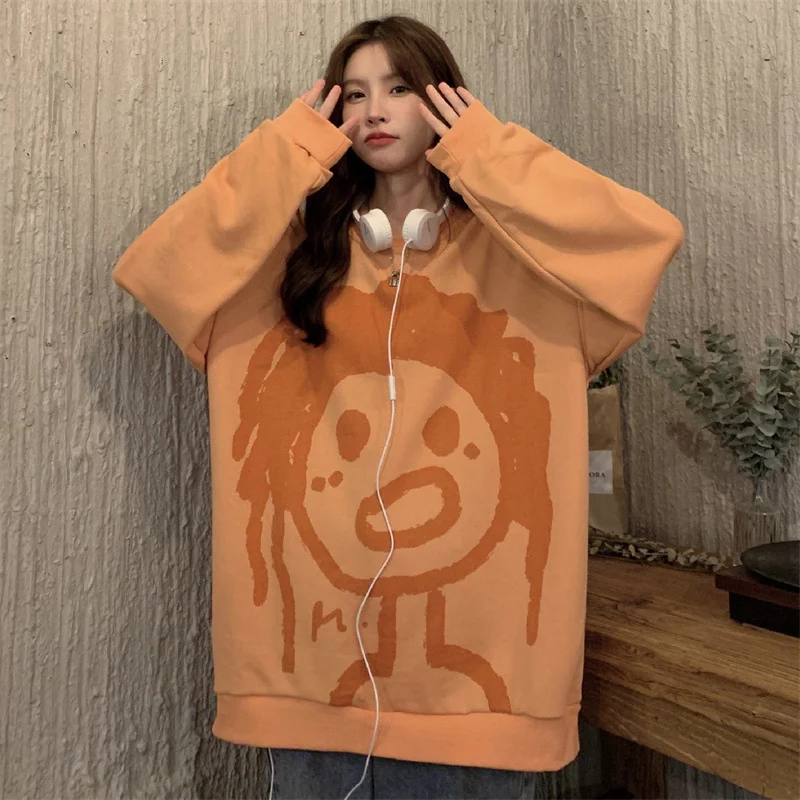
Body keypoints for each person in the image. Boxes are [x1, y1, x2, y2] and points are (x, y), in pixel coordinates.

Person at [112, 13, 684, 800]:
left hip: (487, 706)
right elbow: (157, 271)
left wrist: (485, 154)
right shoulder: (281, 263)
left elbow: (647, 238)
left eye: (399, 87)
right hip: (304, 694)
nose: (374, 110)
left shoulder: (532, 267)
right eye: (353, 95)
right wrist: (288, 152)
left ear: (446, 101)